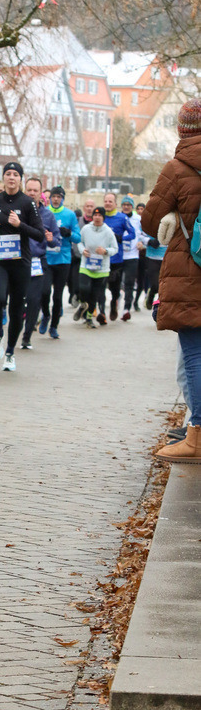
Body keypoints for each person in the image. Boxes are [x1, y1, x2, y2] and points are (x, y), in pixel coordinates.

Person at [142, 99, 201, 463]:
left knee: (194, 353)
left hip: (190, 274)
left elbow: (150, 222)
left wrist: (179, 211)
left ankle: (196, 436)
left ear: (182, 129)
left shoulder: (177, 169)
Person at [0, 161, 43, 371]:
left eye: (15, 174)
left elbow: (39, 234)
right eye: (8, 173)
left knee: (17, 308)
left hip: (20, 263)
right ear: (4, 177)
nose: (11, 177)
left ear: (20, 179)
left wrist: (19, 225)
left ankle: (9, 352)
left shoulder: (27, 203)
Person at [21, 176, 60, 349]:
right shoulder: (17, 211)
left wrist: (51, 240)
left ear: (41, 193)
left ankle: (27, 335)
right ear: (25, 190)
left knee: (36, 298)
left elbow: (56, 241)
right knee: (19, 299)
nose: (31, 193)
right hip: (19, 261)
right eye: (29, 190)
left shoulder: (48, 215)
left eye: (35, 190)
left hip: (38, 261)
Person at [40, 185, 81, 339]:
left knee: (58, 296)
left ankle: (54, 326)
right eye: (54, 196)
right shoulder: (44, 213)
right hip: (47, 258)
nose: (56, 199)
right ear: (50, 198)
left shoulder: (70, 215)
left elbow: (78, 237)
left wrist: (69, 233)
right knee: (44, 292)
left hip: (63, 259)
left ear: (63, 198)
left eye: (59, 196)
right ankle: (45, 315)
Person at [74, 207, 118, 327]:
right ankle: (82, 304)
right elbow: (79, 241)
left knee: (94, 294)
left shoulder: (108, 231)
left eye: (100, 215)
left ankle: (89, 318)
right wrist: (83, 250)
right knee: (84, 288)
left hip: (101, 268)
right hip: (86, 265)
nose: (97, 217)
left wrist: (105, 251)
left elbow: (115, 249)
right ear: (92, 217)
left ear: (103, 217)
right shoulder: (86, 229)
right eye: (95, 215)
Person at [102, 191, 136, 319]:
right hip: (101, 259)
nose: (108, 203)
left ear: (116, 204)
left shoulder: (122, 218)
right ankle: (101, 311)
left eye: (110, 201)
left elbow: (132, 234)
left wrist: (122, 238)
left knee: (114, 289)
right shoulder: (99, 216)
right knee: (100, 287)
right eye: (106, 201)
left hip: (116, 259)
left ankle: (113, 303)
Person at [119, 195, 144, 321]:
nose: (126, 207)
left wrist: (142, 243)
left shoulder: (138, 219)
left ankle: (126, 309)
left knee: (129, 283)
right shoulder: (118, 218)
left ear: (132, 207)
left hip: (133, 255)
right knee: (116, 282)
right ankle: (115, 299)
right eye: (124, 205)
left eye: (129, 205)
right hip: (118, 255)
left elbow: (145, 234)